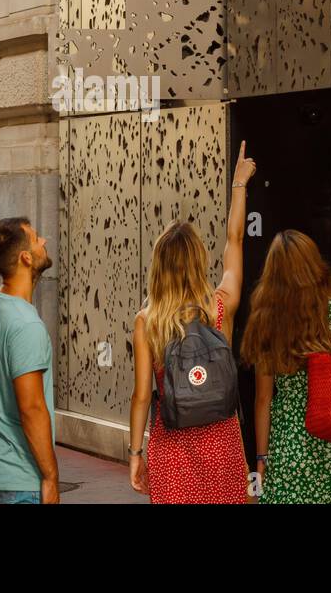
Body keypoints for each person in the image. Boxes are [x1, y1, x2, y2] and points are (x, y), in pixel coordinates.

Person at [127, 141, 256, 503]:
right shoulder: (220, 308)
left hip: (172, 450)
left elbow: (140, 397)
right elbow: (235, 240)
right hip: (223, 445)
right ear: (199, 261)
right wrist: (239, 186)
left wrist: (135, 453)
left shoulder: (147, 322)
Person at [240, 230, 331, 504]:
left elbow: (264, 400)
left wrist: (262, 459)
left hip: (291, 453)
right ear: (316, 265)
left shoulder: (268, 324)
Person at [0, 217, 58, 504]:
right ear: (26, 258)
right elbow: (31, 407)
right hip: (21, 478)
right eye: (37, 238)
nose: (44, 241)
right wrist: (51, 477)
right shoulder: (26, 325)